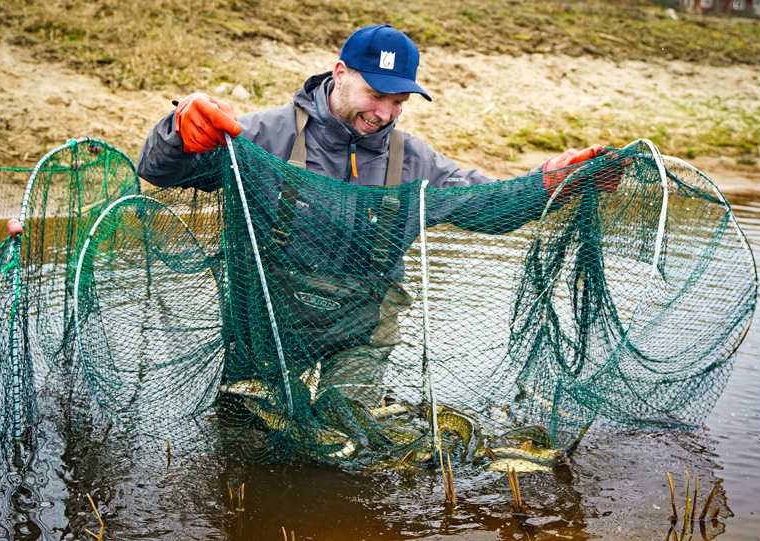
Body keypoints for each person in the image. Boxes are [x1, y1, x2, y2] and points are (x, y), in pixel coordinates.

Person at [136, 24, 616, 409]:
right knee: (243, 432)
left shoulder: (415, 162)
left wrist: (547, 183)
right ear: (340, 73)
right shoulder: (262, 134)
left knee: (345, 447)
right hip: (265, 322)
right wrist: (178, 132)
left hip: (362, 329)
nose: (384, 113)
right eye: (375, 95)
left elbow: (486, 205)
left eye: (398, 103)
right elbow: (161, 172)